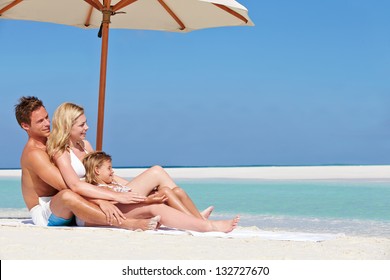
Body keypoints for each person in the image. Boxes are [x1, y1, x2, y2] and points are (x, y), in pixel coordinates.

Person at [46, 102, 239, 232]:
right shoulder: (61, 152)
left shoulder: (84, 145)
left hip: (107, 192)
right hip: (94, 203)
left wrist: (131, 191)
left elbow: (105, 176)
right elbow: (75, 186)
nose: (87, 127)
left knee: (156, 172)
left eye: (86, 123)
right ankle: (208, 226)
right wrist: (119, 196)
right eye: (81, 125)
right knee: (155, 206)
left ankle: (190, 214)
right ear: (67, 126)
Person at [15, 96, 160, 230]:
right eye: (40, 121)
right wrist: (101, 200)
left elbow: (95, 173)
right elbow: (66, 186)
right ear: (25, 126)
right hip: (47, 211)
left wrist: (126, 189)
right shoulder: (35, 154)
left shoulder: (54, 141)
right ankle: (126, 223)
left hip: (72, 204)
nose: (47, 123)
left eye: (47, 117)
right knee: (67, 195)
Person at [82, 151, 214, 219]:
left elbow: (127, 186)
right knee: (166, 190)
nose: (112, 171)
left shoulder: (112, 182)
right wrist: (148, 198)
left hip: (133, 199)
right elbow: (115, 200)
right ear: (97, 170)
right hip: (127, 205)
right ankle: (195, 221)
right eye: (109, 168)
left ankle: (198, 217)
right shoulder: (101, 188)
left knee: (178, 191)